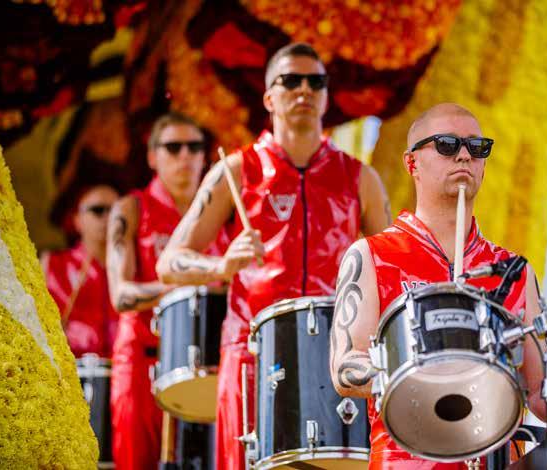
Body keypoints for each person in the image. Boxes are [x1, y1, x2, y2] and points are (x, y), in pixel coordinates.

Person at [156, 42, 391, 470]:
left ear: (325, 95)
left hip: (337, 358)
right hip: (250, 351)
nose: (303, 90)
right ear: (269, 96)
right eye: (290, 81)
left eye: (315, 82)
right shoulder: (237, 170)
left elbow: (390, 275)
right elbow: (169, 261)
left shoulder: (361, 178)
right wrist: (220, 266)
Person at [330, 103, 547, 469]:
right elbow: (344, 370)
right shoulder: (371, 254)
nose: (464, 155)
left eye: (478, 148)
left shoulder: (514, 271)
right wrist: (427, 370)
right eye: (446, 144)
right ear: (412, 163)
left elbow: (539, 395)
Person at [106, 112, 228, 470]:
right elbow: (120, 295)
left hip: (207, 369)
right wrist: (184, 284)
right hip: (142, 359)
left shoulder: (221, 214)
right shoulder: (131, 208)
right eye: (173, 147)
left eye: (194, 147)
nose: (185, 156)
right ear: (152, 156)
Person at [43, 184, 120, 358]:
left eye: (116, 211)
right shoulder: (53, 265)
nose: (108, 217)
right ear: (77, 220)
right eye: (98, 210)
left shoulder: (135, 268)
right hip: (70, 371)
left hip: (124, 371)